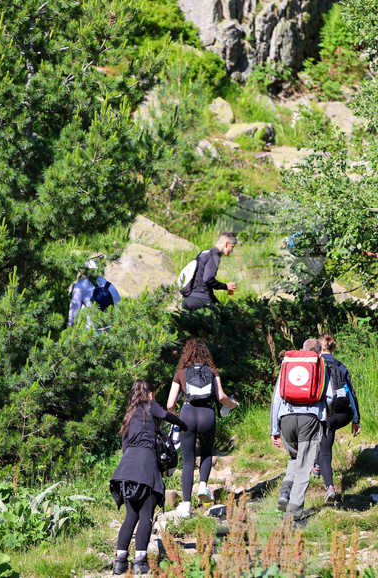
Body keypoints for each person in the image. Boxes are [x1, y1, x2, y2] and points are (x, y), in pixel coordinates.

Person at [110, 380, 188, 575]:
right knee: (146, 516)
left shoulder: (129, 414)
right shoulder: (149, 404)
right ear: (150, 394)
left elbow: (125, 446)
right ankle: (140, 561)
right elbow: (165, 415)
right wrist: (183, 425)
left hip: (125, 469)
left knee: (130, 516)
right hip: (146, 466)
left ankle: (120, 562)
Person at [166, 338, 238, 517]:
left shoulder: (181, 373)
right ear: (205, 355)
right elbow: (221, 396)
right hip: (207, 414)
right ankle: (203, 486)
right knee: (206, 452)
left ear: (186, 354)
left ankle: (186, 505)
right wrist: (233, 405)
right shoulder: (213, 371)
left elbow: (169, 404)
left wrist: (176, 418)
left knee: (188, 461)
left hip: (187, 414)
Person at [271, 338, 335, 522]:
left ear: (302, 349)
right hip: (310, 418)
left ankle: (285, 492)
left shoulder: (287, 364)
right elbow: (330, 396)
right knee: (306, 463)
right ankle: (295, 510)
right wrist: (326, 415)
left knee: (294, 458)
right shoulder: (320, 365)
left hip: (286, 418)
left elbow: (276, 398)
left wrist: (274, 428)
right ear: (319, 352)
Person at [312, 333, 361, 504]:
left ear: (319, 348)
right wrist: (356, 420)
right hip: (343, 414)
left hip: (322, 414)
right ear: (334, 347)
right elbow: (352, 395)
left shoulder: (315, 365)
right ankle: (318, 466)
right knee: (327, 434)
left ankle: (329, 486)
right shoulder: (341, 366)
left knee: (324, 449)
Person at [181, 232, 238, 311]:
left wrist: (217, 303)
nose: (232, 250)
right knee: (223, 320)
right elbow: (208, 279)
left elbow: (200, 280)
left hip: (187, 300)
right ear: (226, 243)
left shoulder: (204, 253)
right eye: (232, 247)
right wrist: (225, 286)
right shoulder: (215, 255)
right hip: (200, 300)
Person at [68, 260, 121, 328]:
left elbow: (75, 304)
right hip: (109, 323)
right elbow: (119, 303)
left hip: (90, 324)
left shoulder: (81, 284)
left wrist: (71, 323)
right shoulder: (108, 284)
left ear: (86, 271)